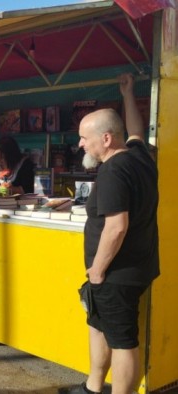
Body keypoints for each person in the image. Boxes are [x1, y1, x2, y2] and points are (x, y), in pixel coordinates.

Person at [69, 73, 159, 394]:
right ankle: (93, 388)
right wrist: (128, 93)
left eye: (85, 137)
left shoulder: (112, 170)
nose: (80, 143)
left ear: (106, 139)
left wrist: (98, 269)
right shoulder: (139, 156)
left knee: (122, 342)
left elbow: (116, 226)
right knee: (99, 327)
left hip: (115, 273)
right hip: (131, 268)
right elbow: (135, 130)